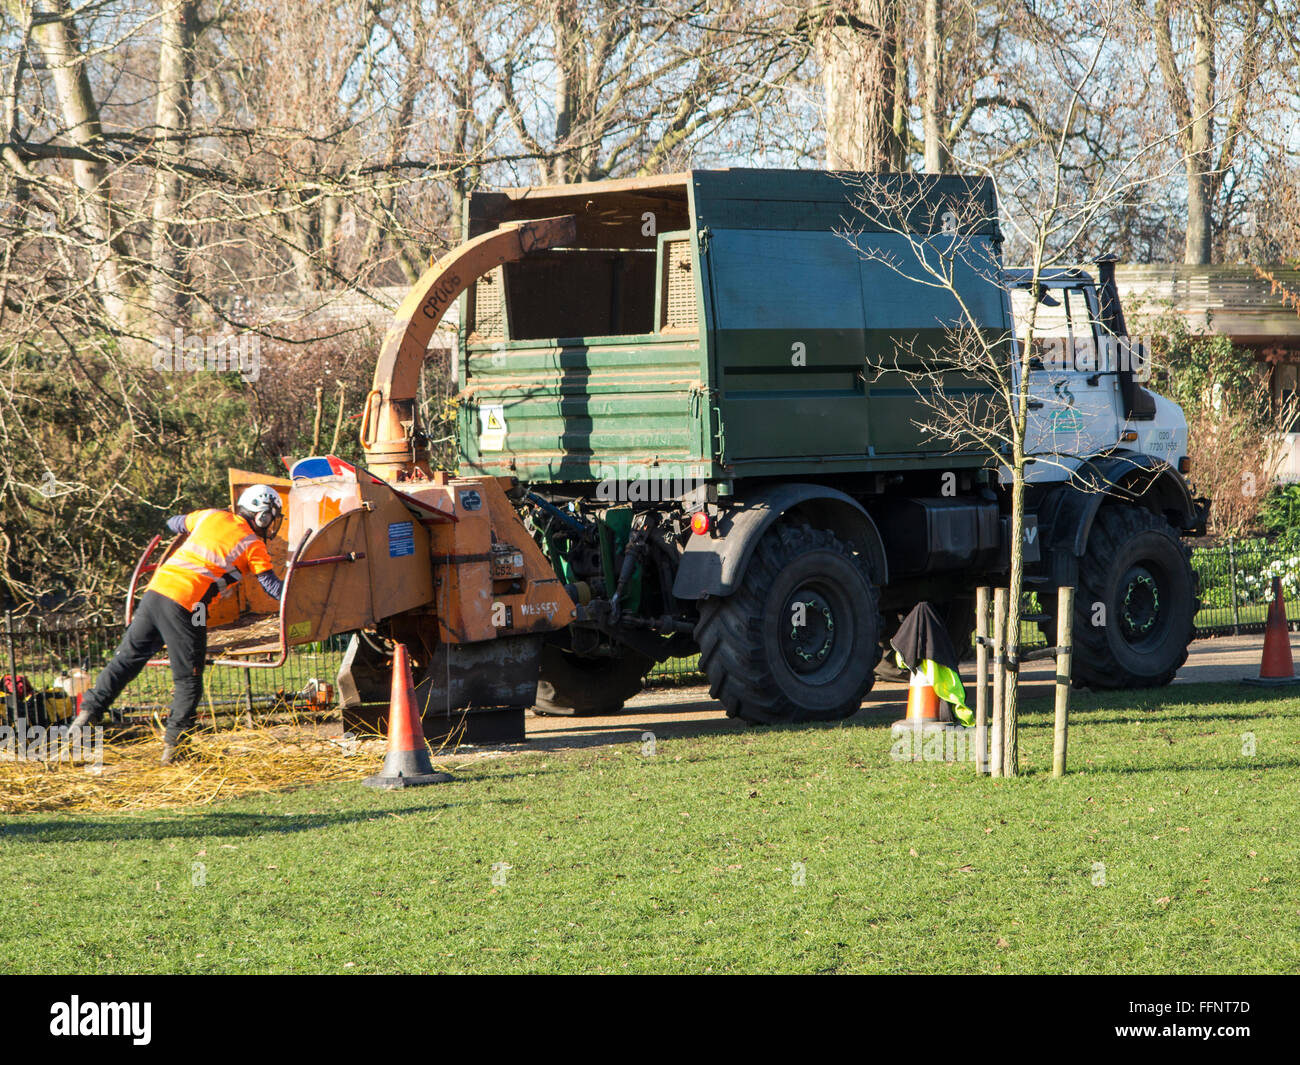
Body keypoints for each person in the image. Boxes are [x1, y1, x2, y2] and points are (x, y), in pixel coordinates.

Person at [71, 485, 285, 764]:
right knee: (189, 679)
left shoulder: (212, 516)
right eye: (272, 517)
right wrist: (293, 601)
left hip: (155, 593)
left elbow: (173, 522)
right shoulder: (253, 544)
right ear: (262, 517)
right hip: (190, 606)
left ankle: (86, 715)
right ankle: (176, 748)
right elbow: (270, 584)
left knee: (125, 662)